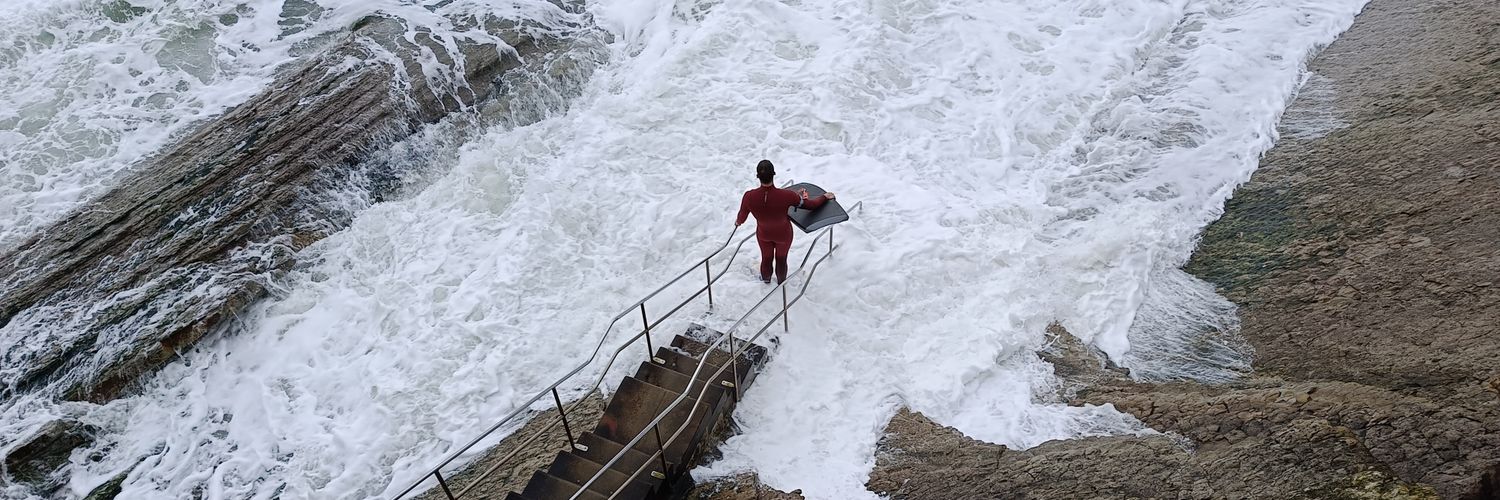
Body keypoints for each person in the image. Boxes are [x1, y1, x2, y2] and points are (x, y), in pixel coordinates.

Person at [735, 160, 836, 284]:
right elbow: (811, 205)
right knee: (781, 259)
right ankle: (781, 283)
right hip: (783, 235)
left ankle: (766, 280)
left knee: (766, 258)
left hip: (763, 234)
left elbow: (742, 217)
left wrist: (738, 222)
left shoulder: (749, 197)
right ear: (773, 174)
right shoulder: (788, 196)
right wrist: (824, 197)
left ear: (757, 176)